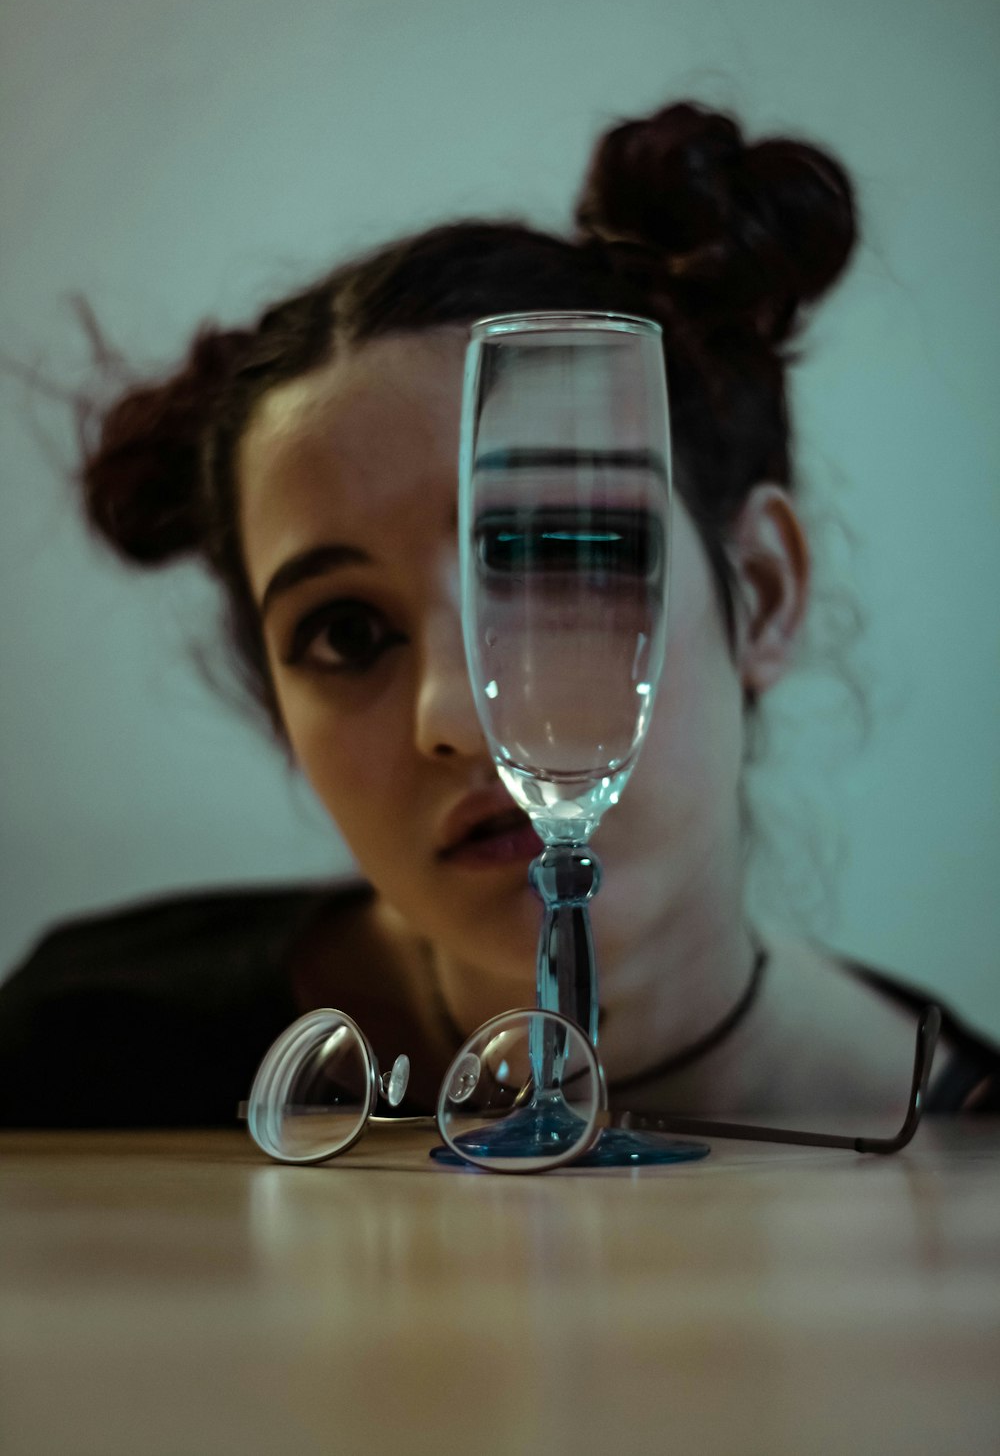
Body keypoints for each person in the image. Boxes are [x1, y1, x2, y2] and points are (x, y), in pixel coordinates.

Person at [0, 99, 996, 1128]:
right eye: (347, 632)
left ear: (764, 591)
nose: (460, 715)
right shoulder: (85, 1059)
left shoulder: (962, 1160)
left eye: (558, 558)